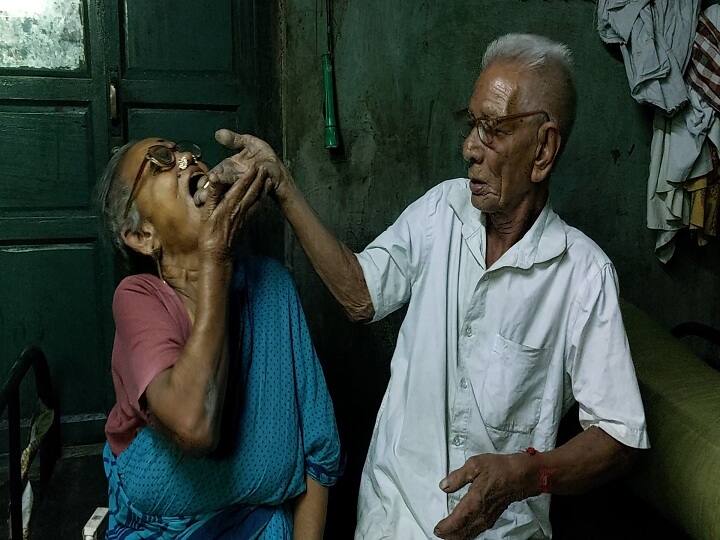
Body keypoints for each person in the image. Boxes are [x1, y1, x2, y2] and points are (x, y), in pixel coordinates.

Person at [215, 33, 650, 539]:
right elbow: (361, 296)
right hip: (391, 517)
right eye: (472, 126)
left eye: (493, 130)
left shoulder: (583, 274)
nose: (469, 149)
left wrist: (527, 474)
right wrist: (283, 186)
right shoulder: (442, 209)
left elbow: (620, 437)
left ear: (544, 148)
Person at [97, 137, 341, 539]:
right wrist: (216, 260)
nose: (187, 159)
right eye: (160, 162)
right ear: (142, 236)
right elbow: (195, 425)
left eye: (185, 151)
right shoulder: (138, 299)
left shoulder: (273, 287)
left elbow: (319, 456)